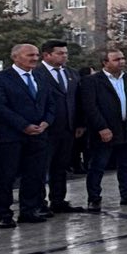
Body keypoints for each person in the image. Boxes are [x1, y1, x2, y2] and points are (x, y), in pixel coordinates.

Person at [0, 43, 54, 226]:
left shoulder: (41, 77)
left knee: (34, 175)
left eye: (36, 55)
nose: (34, 58)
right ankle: (4, 214)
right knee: (6, 177)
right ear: (15, 57)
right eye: (29, 55)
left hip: (38, 136)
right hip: (11, 136)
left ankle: (29, 210)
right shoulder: (0, 79)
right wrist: (23, 125)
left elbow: (50, 103)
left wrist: (46, 122)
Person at [77, 47, 127, 208]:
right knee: (98, 165)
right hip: (105, 130)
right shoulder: (92, 81)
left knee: (126, 164)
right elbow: (90, 107)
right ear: (105, 62)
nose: (121, 62)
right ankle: (94, 198)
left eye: (122, 58)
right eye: (116, 59)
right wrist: (101, 127)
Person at [36, 40, 82, 214]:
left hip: (68, 128)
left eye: (65, 53)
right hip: (46, 128)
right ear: (47, 55)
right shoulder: (37, 73)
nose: (64, 56)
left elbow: (77, 100)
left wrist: (79, 123)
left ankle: (58, 199)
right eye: (60, 53)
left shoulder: (72, 73)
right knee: (41, 167)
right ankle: (39, 202)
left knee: (60, 166)